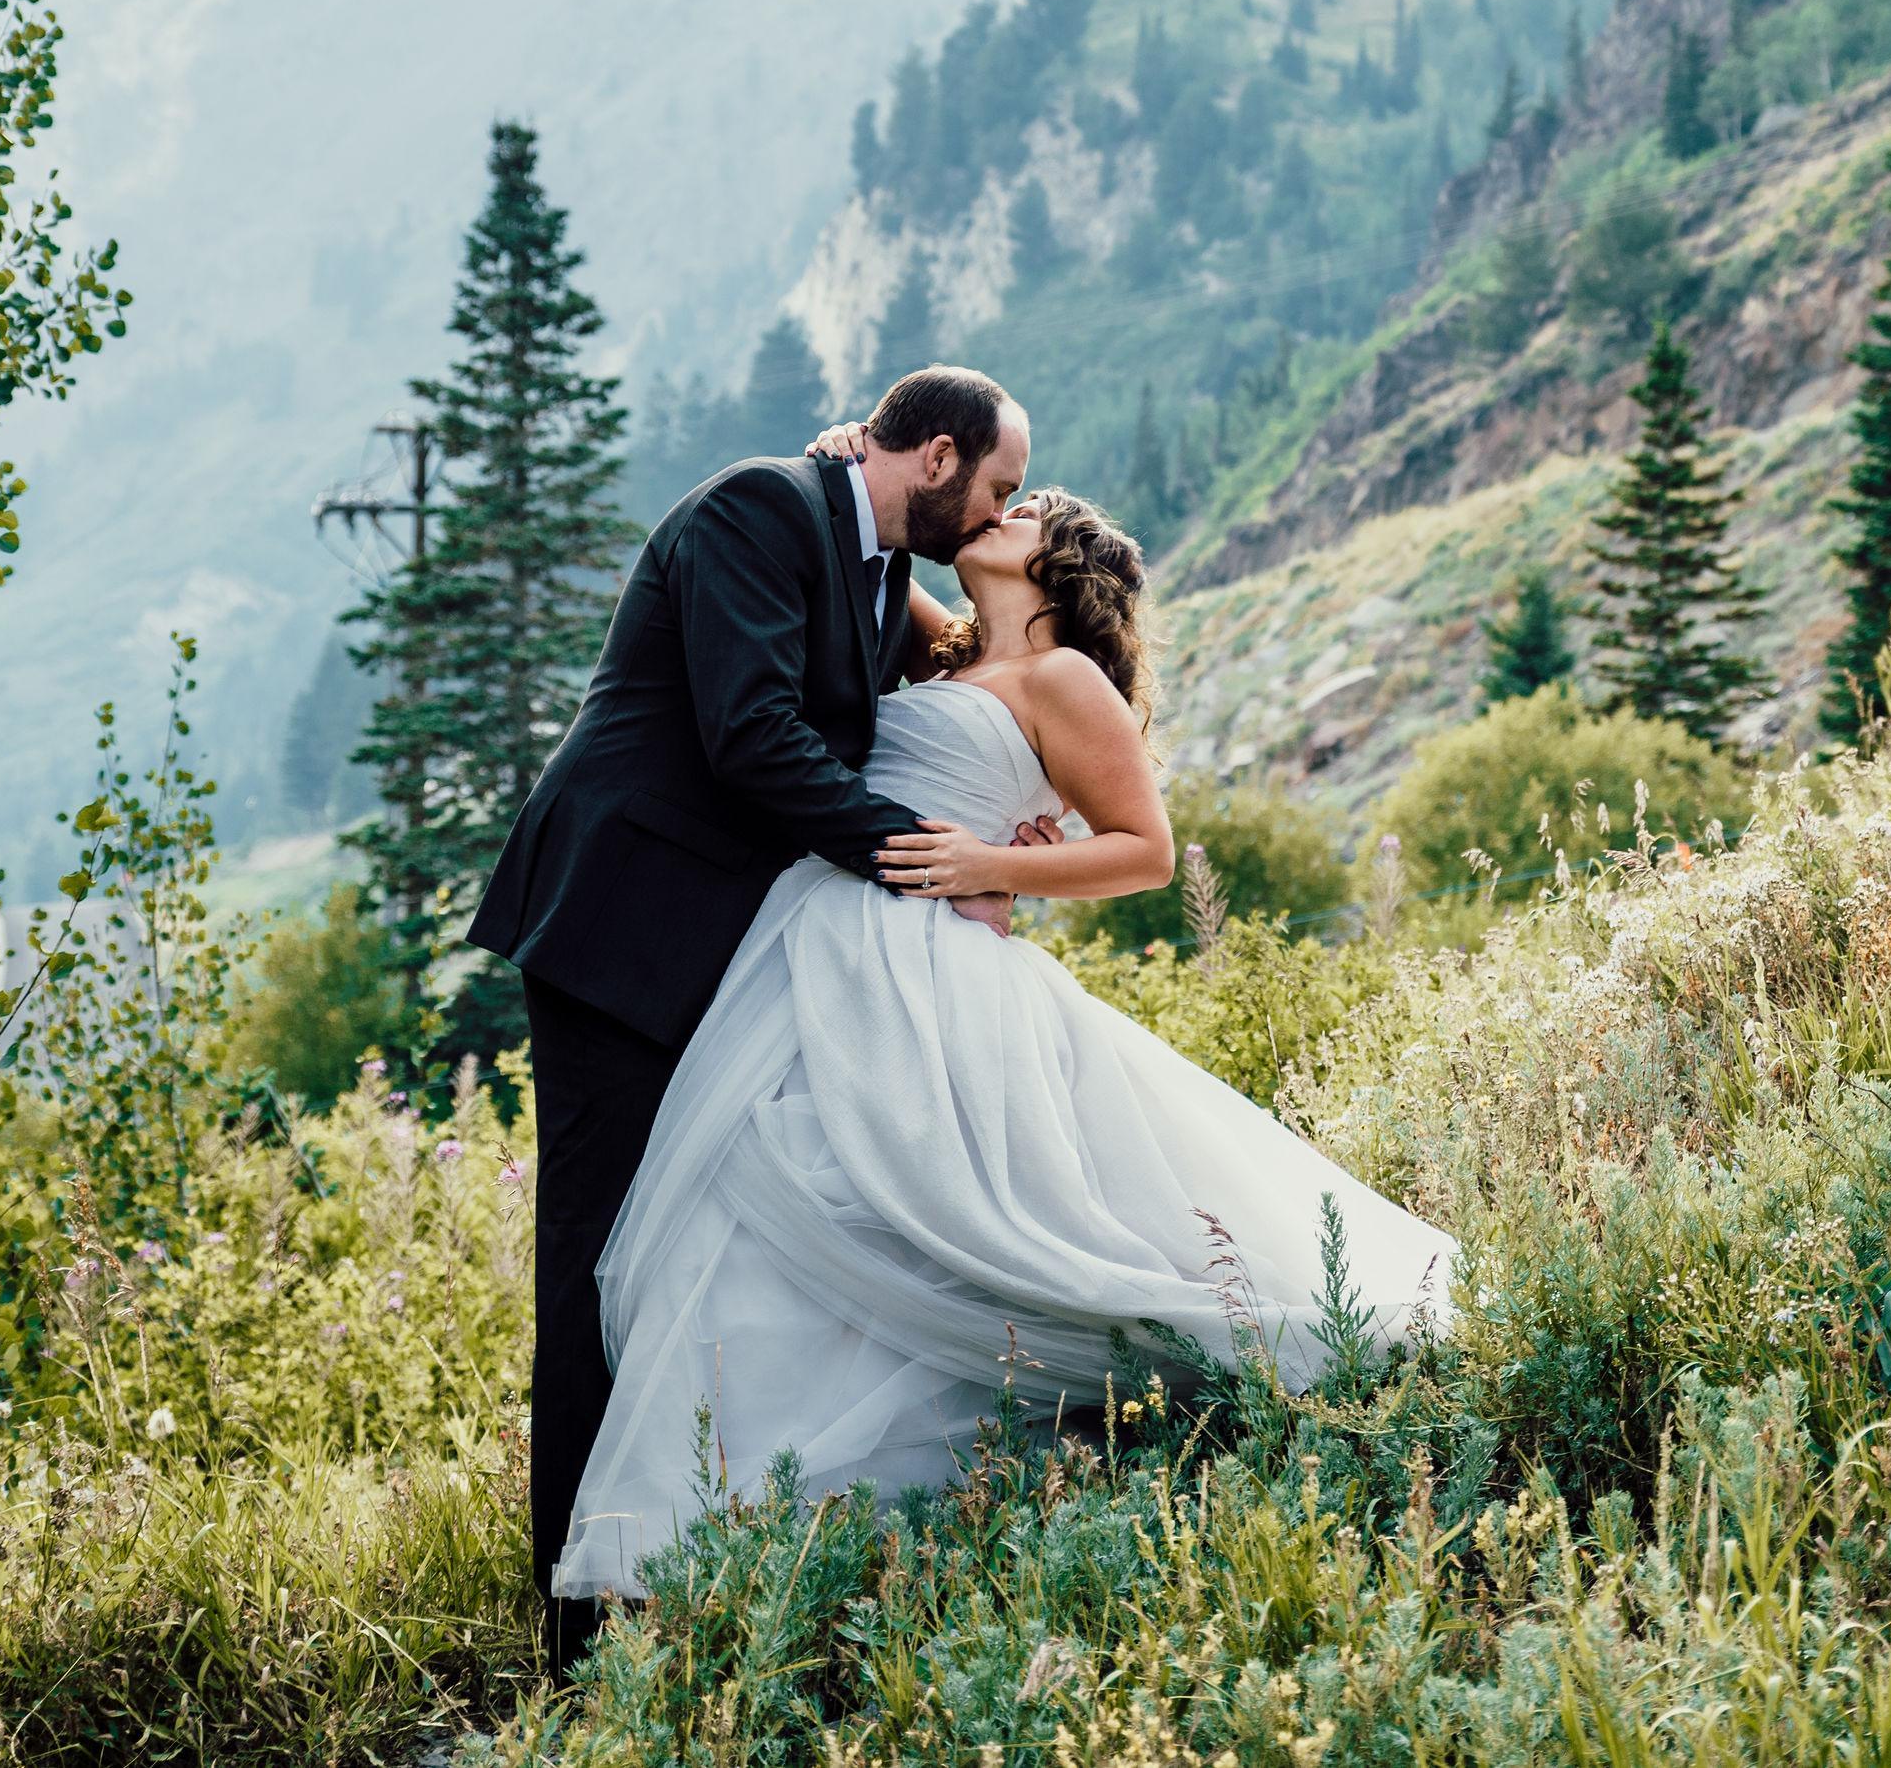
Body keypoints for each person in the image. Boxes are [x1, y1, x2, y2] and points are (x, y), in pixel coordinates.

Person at [548, 478, 1453, 1601]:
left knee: (922, 1208)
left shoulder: (1062, 677)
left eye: (1024, 512)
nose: (996, 512)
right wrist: (841, 455)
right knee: (768, 1217)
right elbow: (864, 537)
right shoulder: (950, 650)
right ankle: (714, 1525)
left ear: (1059, 566)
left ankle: (884, 1505)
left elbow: (1144, 850)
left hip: (933, 969)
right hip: (812, 952)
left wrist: (996, 865)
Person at [464, 364, 1035, 1674]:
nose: (1002, 510)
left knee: (693, 1256)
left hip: (731, 954)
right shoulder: (756, 509)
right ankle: (574, 1639)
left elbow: (973, 682)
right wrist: (933, 863)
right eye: (997, 486)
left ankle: (676, 1570)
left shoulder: (880, 559)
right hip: (620, 931)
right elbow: (755, 738)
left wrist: (1016, 823)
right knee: (595, 1264)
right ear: (937, 456)